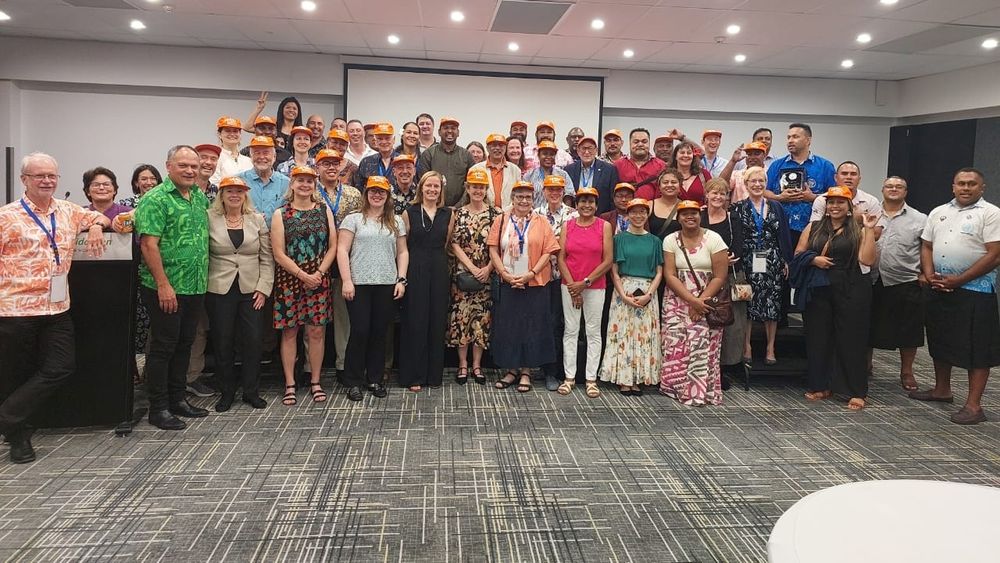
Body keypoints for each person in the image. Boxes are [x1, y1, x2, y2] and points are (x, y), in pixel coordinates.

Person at [0, 153, 111, 463]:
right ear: (24, 180)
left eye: (52, 175)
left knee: (61, 366)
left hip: (57, 307)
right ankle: (18, 438)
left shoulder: (68, 211)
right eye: (39, 176)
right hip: (14, 309)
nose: (47, 181)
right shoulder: (6, 217)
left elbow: (101, 217)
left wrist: (98, 227)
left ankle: (6, 416)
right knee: (14, 376)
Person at [911, 168, 1000, 424]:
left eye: (972, 184)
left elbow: (995, 254)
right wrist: (929, 275)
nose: (966, 188)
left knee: (977, 348)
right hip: (940, 288)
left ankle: (974, 406)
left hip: (975, 291)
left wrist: (960, 280)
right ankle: (942, 390)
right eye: (961, 183)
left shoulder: (991, 213)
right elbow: (926, 246)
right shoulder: (939, 212)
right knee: (940, 340)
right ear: (953, 186)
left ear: (981, 188)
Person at [134, 145, 211, 430]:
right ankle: (158, 407)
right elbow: (148, 244)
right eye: (183, 165)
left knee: (185, 344)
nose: (190, 170)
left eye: (194, 166)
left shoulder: (198, 197)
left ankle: (178, 398)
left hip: (194, 285)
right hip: (165, 287)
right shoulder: (155, 199)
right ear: (168, 166)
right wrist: (163, 284)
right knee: (163, 347)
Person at [795, 186, 878, 411]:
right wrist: (814, 260)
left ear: (849, 206)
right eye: (831, 202)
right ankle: (820, 385)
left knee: (851, 339)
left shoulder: (858, 229)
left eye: (840, 202)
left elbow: (868, 260)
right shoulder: (813, 227)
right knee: (818, 337)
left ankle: (856, 390)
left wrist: (869, 230)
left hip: (851, 287)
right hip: (819, 287)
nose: (835, 206)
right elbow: (798, 253)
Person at [337, 176, 409, 401]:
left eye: (382, 192)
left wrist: (401, 279)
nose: (377, 195)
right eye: (373, 191)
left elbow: (403, 252)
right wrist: (346, 280)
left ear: (387, 195)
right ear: (366, 194)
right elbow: (341, 250)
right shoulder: (353, 219)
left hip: (386, 284)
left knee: (380, 333)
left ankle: (375, 378)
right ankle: (353, 381)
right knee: (359, 332)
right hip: (358, 284)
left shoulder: (396, 221)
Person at [205, 176, 273, 412]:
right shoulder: (209, 218)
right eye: (229, 191)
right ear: (221, 195)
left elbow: (266, 257)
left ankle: (251, 391)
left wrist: (264, 288)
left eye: (239, 191)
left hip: (251, 290)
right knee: (223, 342)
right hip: (219, 289)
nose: (235, 195)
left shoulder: (256, 220)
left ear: (245, 195)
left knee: (253, 342)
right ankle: (227, 392)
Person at [270, 165, 337, 407]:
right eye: (300, 181)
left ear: (314, 184)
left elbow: (332, 246)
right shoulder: (281, 214)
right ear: (292, 183)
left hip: (319, 280)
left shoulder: (323, 210)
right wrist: (302, 275)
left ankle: (315, 381)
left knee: (316, 332)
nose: (305, 185)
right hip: (290, 280)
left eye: (309, 181)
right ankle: (290, 383)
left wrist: (318, 273)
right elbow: (278, 253)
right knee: (290, 332)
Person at [488, 181, 561, 393]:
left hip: (535, 283)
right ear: (512, 198)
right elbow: (493, 248)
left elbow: (549, 251)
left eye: (528, 197)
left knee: (531, 327)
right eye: (519, 196)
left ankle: (527, 371)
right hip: (508, 282)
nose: (523, 201)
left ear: (533, 200)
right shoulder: (501, 219)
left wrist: (531, 274)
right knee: (509, 327)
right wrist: (503, 273)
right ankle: (511, 370)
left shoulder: (542, 221)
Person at [660, 200, 730, 406]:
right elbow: (670, 274)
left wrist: (700, 302)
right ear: (678, 218)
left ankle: (702, 391)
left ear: (701, 216)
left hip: (708, 298)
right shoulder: (670, 240)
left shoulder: (714, 239)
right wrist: (691, 301)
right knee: (677, 344)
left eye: (694, 213)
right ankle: (675, 388)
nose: (689, 217)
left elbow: (720, 276)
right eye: (684, 214)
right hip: (677, 299)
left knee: (703, 346)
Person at [869, 177, 927, 391]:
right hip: (873, 277)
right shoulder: (872, 214)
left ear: (906, 191)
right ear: (882, 189)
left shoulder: (920, 219)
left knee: (909, 330)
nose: (894, 189)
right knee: (868, 325)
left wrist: (924, 272)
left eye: (899, 186)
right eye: (889, 186)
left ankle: (907, 371)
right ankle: (866, 365)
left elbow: (927, 248)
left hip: (906, 279)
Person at [601, 197, 663, 395]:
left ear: (647, 215)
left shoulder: (654, 241)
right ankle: (623, 378)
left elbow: (660, 271)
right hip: (624, 289)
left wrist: (650, 294)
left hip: (647, 290)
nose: (638, 216)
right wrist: (622, 294)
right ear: (627, 215)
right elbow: (614, 270)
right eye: (634, 212)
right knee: (624, 334)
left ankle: (638, 377)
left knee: (643, 335)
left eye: (642, 212)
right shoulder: (618, 239)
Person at [399, 172, 455, 392]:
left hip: (439, 269)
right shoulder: (409, 212)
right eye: (428, 186)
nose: (432, 190)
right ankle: (414, 375)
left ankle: (433, 375)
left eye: (436, 186)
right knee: (416, 320)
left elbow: (446, 242)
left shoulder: (448, 214)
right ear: (421, 188)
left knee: (436, 320)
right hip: (416, 268)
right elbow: (403, 246)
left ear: (441, 190)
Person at [732, 166, 792, 365]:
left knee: (772, 303)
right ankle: (746, 345)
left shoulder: (776, 207)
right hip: (748, 260)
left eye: (761, 181)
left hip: (772, 259)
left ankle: (770, 347)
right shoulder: (738, 208)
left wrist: (786, 259)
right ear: (746, 185)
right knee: (747, 303)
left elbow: (783, 234)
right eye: (753, 182)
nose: (757, 185)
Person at [556, 187, 613, 398]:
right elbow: (561, 258)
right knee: (570, 330)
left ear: (597, 205)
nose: (586, 205)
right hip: (569, 285)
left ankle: (591, 379)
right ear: (576, 204)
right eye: (582, 201)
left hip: (595, 286)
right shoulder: (567, 225)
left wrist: (585, 283)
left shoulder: (604, 226)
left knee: (593, 332)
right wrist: (573, 286)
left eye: (591, 202)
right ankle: (569, 377)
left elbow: (608, 260)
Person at [448, 169, 500, 385]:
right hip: (463, 275)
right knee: (461, 318)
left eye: (481, 187)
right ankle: (462, 364)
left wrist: (488, 268)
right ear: (467, 189)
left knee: (481, 320)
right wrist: (470, 266)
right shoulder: (458, 214)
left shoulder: (495, 215)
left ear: (486, 189)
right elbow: (453, 242)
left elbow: (498, 246)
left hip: (486, 275)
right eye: (474, 186)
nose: (478, 190)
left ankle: (477, 365)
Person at [315, 149, 363, 381]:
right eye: (326, 164)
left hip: (345, 262)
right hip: (314, 262)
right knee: (314, 318)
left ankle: (343, 364)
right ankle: (309, 367)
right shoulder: (309, 191)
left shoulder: (353, 194)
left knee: (344, 317)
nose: (331, 168)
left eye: (335, 163)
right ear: (317, 167)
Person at [700, 178, 748, 377]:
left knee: (732, 324)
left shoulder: (733, 218)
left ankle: (726, 367)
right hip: (703, 277)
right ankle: (705, 364)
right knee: (704, 322)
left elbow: (737, 249)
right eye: (714, 193)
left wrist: (721, 261)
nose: (718, 197)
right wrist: (717, 261)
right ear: (707, 195)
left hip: (730, 276)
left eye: (723, 193)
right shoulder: (699, 216)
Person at [534, 175, 578, 390]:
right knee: (544, 323)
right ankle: (545, 368)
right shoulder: (536, 215)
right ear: (543, 191)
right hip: (540, 277)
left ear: (564, 192)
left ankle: (557, 370)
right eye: (550, 189)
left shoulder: (574, 215)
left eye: (558, 190)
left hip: (565, 277)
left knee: (561, 324)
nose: (554, 193)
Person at [766, 123, 837, 244]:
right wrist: (779, 197)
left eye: (795, 137)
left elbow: (835, 195)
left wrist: (813, 198)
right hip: (780, 228)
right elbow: (764, 192)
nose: (790, 141)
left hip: (814, 228)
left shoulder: (825, 166)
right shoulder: (777, 165)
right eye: (788, 137)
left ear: (808, 140)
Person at [418, 116, 474, 206]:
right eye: (446, 128)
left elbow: (471, 185)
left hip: (460, 209)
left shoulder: (466, 156)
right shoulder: (428, 154)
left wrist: (458, 207)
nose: (449, 131)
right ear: (439, 132)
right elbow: (423, 183)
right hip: (434, 208)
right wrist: (438, 206)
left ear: (458, 133)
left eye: (453, 128)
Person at [239, 135, 290, 227]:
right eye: (257, 153)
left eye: (266, 153)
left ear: (274, 157)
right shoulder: (239, 181)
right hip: (247, 236)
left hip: (277, 237)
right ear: (251, 156)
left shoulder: (287, 184)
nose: (261, 157)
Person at [565, 136, 620, 214]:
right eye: (584, 148)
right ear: (578, 151)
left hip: (600, 218)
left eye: (590, 148)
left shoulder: (609, 170)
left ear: (596, 150)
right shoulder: (569, 170)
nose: (587, 152)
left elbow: (613, 199)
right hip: (575, 218)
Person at [470, 133, 521, 209]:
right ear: (487, 148)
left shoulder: (515, 170)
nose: (497, 148)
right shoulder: (475, 169)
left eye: (501, 145)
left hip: (509, 214)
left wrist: (507, 211)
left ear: (505, 148)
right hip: (483, 214)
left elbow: (518, 194)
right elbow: (472, 195)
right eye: (493, 145)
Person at [618, 128, 667, 201]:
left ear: (649, 143)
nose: (640, 144)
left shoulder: (661, 165)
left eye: (644, 142)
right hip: (625, 210)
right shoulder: (618, 165)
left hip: (652, 210)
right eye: (636, 142)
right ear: (630, 143)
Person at [524, 141, 575, 208]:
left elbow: (569, 195)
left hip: (559, 215)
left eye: (551, 154)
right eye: (545, 154)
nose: (548, 157)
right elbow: (524, 197)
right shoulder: (529, 176)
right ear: (538, 155)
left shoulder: (563, 174)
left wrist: (565, 213)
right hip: (535, 215)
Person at [355, 121, 400, 189]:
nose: (384, 142)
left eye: (387, 138)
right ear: (375, 141)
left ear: (394, 140)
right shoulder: (366, 162)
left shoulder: (402, 161)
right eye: (380, 139)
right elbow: (359, 188)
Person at [211, 116, 252, 186]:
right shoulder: (216, 158)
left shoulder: (249, 161)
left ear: (240, 134)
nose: (232, 134)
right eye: (228, 131)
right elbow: (214, 184)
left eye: (235, 131)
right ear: (219, 134)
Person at [671, 140, 711, 205]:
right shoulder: (667, 176)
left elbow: (713, 195)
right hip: (674, 214)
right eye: (682, 152)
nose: (686, 155)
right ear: (675, 156)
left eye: (689, 153)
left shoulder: (704, 174)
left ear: (693, 156)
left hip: (700, 214)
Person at [649, 169, 684, 242]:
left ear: (680, 186)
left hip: (677, 250)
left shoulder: (686, 207)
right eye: (665, 182)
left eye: (673, 182)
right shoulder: (649, 205)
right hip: (654, 251)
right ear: (659, 186)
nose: (669, 185)